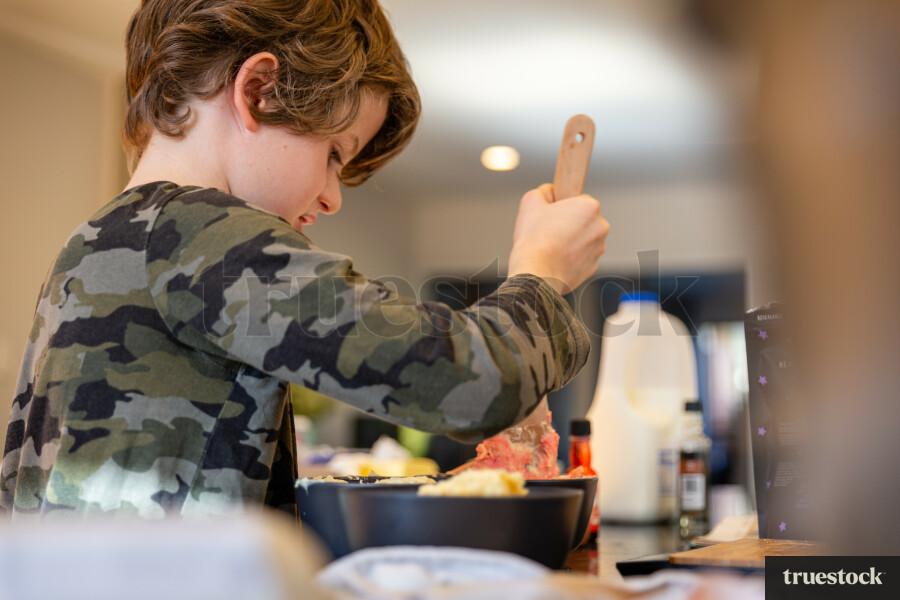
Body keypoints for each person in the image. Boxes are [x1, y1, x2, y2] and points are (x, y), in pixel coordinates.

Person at [0, 0, 609, 520]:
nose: (332, 195)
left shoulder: (94, 241)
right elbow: (463, 382)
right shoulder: (203, 235)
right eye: (335, 155)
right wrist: (542, 273)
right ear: (259, 92)